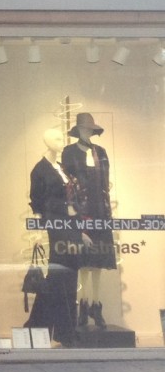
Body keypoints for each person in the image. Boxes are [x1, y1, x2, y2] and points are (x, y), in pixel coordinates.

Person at [61, 112, 115, 330]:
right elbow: (67, 183)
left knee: (98, 259)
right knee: (83, 260)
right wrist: (71, 210)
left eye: (90, 129)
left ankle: (96, 304)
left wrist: (107, 210)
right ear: (78, 130)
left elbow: (106, 182)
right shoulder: (69, 152)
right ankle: (83, 304)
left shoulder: (100, 152)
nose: (87, 132)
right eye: (84, 128)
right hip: (81, 210)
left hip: (100, 210)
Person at [27, 127, 81, 346]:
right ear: (48, 142)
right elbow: (36, 202)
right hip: (56, 225)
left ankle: (49, 329)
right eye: (58, 138)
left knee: (68, 276)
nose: (62, 141)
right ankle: (57, 331)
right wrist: (38, 232)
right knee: (59, 275)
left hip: (72, 224)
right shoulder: (39, 170)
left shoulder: (62, 168)